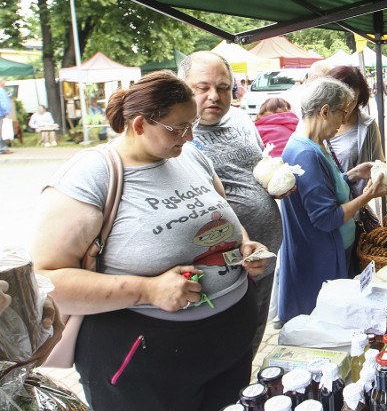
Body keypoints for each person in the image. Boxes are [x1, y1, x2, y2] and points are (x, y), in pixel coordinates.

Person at [31, 71, 269, 410]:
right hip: (143, 359)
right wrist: (148, 290)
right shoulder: (91, 174)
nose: (189, 136)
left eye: (193, 124)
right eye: (179, 127)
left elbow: (222, 213)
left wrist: (244, 245)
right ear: (140, 124)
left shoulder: (189, 155)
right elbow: (47, 279)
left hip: (227, 341)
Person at [178, 51, 287, 358]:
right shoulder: (178, 136)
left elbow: (257, 167)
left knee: (252, 336)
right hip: (220, 271)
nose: (214, 96)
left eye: (224, 87)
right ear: (182, 86)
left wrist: (275, 185)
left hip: (264, 255)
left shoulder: (240, 119)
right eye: (203, 87)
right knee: (221, 349)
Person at [278, 77, 387, 323]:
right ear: (324, 111)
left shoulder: (313, 144)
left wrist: (351, 175)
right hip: (320, 258)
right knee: (327, 320)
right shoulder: (305, 153)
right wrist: (368, 195)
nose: (344, 122)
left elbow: (324, 187)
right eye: (342, 113)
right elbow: (326, 218)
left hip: (326, 252)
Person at [327, 66, 385, 198]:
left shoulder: (367, 126)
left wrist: (374, 181)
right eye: (341, 98)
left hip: (354, 209)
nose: (347, 106)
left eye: (353, 100)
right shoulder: (316, 124)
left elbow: (379, 166)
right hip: (323, 207)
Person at [0, 80, 12, 154]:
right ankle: (3, 148)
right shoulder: (1, 91)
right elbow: (3, 102)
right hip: (1, 114)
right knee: (3, 131)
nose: (5, 83)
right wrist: (6, 112)